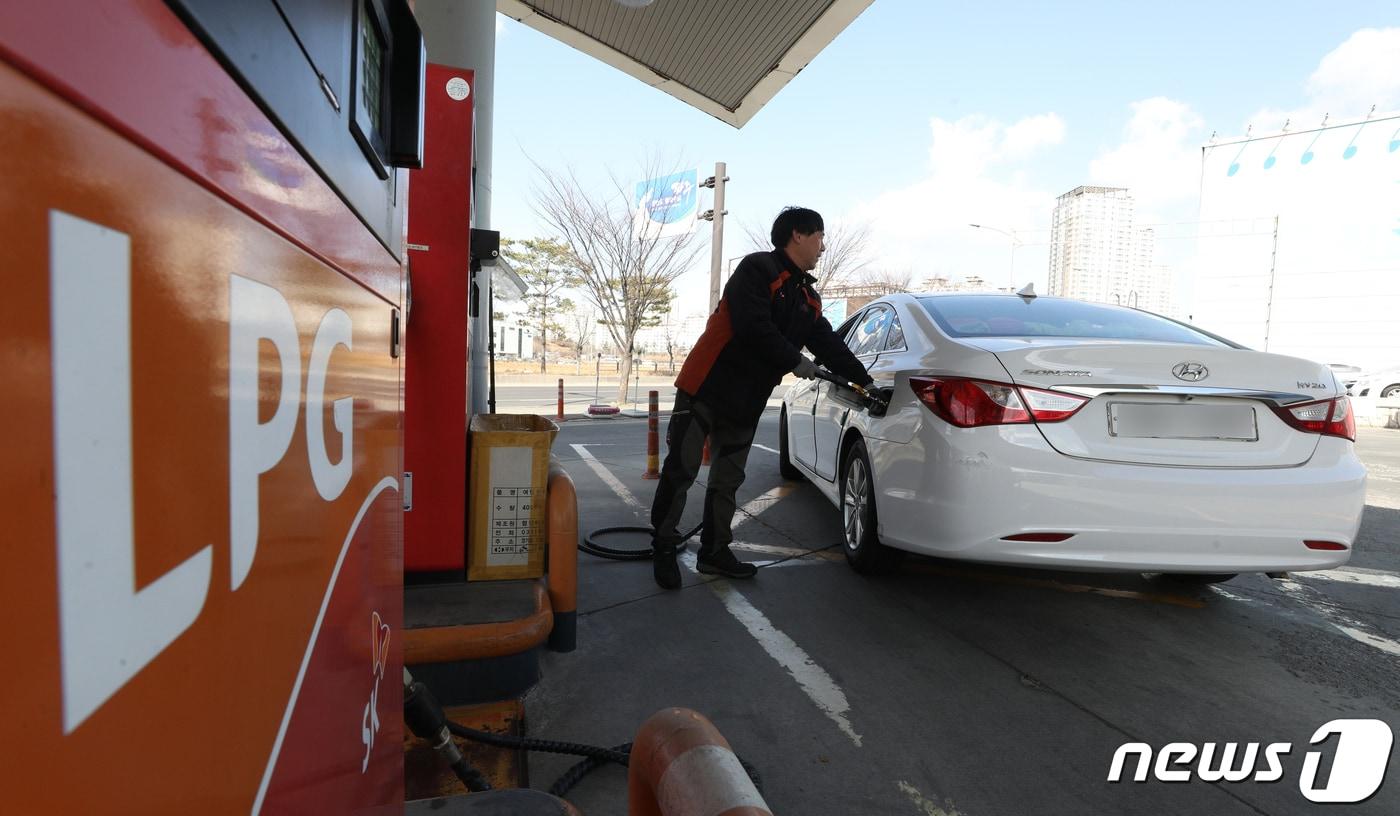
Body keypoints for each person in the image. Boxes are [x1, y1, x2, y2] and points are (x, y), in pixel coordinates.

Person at [648, 206, 874, 589]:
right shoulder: (758, 270)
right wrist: (794, 360)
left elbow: (829, 344)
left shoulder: (809, 298)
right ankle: (664, 545)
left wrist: (863, 381)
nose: (823, 245)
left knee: (727, 480)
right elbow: (754, 326)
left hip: (746, 399)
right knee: (681, 470)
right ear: (797, 235)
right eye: (819, 236)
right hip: (706, 386)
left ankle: (715, 552)